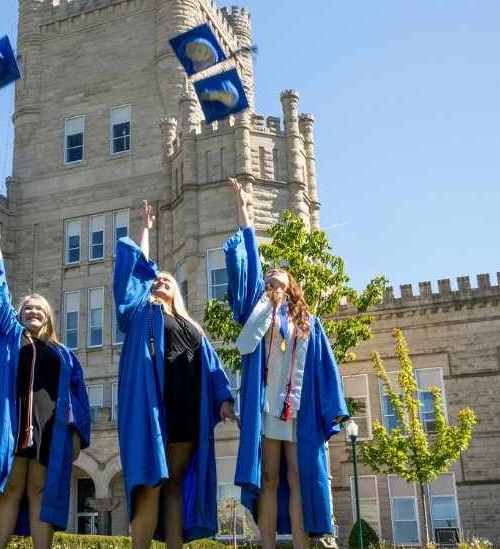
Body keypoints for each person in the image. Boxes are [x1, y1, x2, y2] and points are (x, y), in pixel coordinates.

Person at [222, 179, 349, 549]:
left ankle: (299, 545)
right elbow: (250, 255)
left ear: (293, 284)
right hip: (265, 408)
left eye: (281, 270)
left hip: (297, 410)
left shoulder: (308, 322)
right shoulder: (257, 310)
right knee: (270, 477)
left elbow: (325, 367)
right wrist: (243, 209)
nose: (273, 270)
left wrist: (332, 408)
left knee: (297, 476)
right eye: (268, 272)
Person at [114, 200, 238, 549]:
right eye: (155, 280)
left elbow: (211, 364)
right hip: (153, 406)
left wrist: (224, 400)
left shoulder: (191, 325)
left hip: (186, 410)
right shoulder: (141, 313)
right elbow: (137, 273)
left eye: (166, 280)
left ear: (176, 289)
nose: (159, 281)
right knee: (149, 482)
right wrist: (145, 231)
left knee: (174, 484)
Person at [0, 217, 91, 549]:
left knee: (39, 490)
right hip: (10, 422)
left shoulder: (64, 354)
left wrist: (77, 435)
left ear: (49, 317)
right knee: (9, 489)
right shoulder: (8, 336)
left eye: (39, 309)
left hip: (48, 429)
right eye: (27, 308)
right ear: (18, 315)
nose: (32, 311)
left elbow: (79, 399)